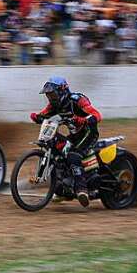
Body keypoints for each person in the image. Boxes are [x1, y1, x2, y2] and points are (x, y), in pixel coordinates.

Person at [30, 76, 102, 206]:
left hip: (88, 133)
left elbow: (96, 114)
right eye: (48, 95)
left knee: (73, 156)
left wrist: (85, 119)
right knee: (58, 156)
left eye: (52, 94)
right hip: (74, 135)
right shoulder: (54, 105)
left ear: (62, 90)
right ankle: (63, 190)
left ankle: (82, 190)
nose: (51, 98)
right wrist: (36, 117)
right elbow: (43, 114)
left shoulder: (78, 100)